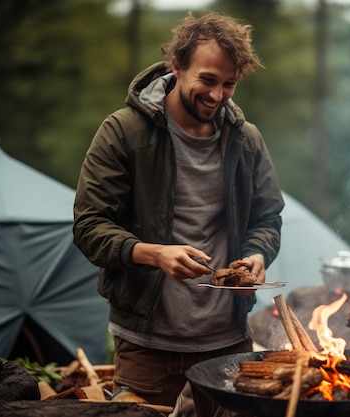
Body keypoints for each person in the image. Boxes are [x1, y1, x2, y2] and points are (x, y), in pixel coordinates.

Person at [73, 11, 284, 417]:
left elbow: (267, 218)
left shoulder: (246, 139)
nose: (218, 95)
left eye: (229, 84)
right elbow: (89, 226)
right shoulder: (124, 131)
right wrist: (154, 254)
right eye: (207, 80)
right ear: (177, 66)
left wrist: (258, 255)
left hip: (229, 341)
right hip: (148, 343)